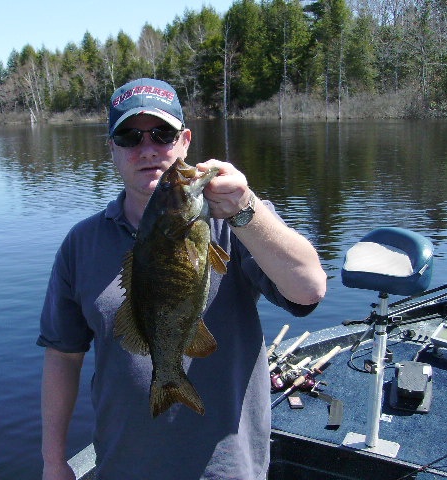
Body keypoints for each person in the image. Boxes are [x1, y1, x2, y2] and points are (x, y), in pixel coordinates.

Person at [38, 78, 327, 480]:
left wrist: (246, 211)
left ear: (186, 141)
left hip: (225, 470)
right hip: (123, 467)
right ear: (112, 149)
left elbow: (309, 290)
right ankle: (167, 377)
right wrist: (54, 461)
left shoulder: (236, 221)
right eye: (129, 136)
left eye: (163, 134)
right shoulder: (80, 244)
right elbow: (63, 355)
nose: (149, 148)